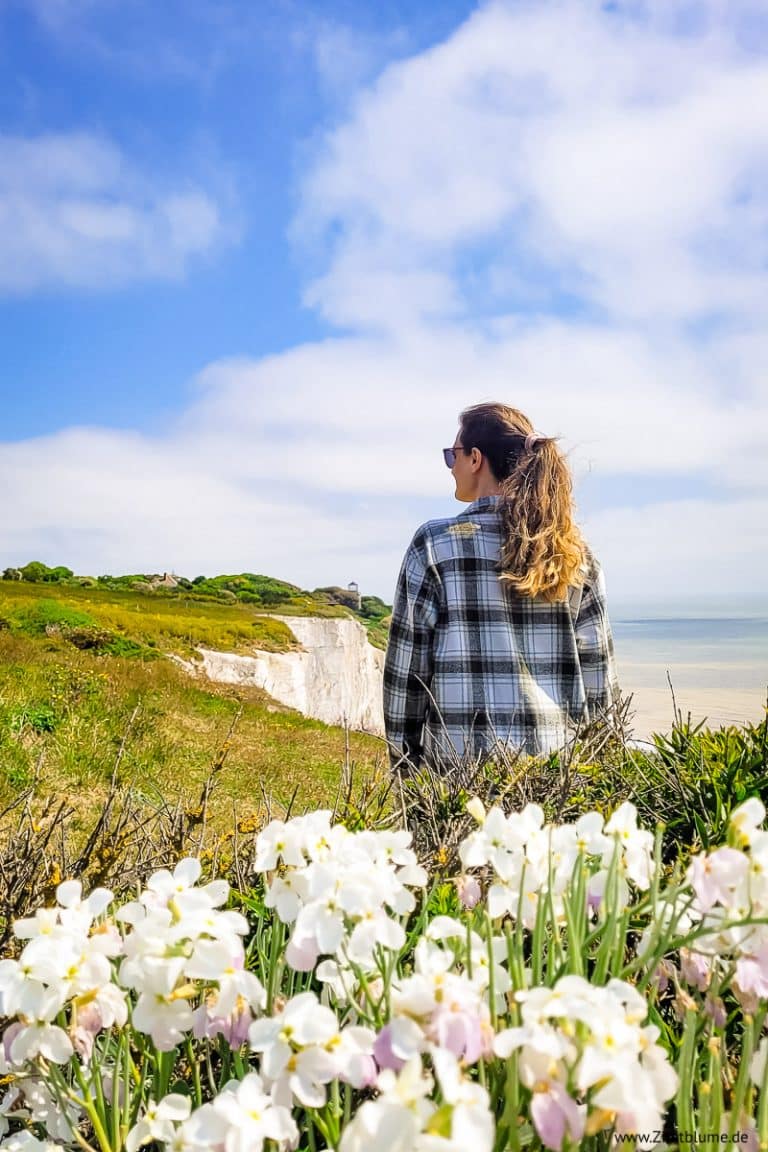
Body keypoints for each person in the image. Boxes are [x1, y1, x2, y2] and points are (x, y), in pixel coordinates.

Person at [383, 402, 620, 772]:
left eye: (452, 455)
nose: (451, 466)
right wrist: (605, 777)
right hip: (556, 776)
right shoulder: (574, 553)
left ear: (475, 459)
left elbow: (407, 675)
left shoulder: (434, 544)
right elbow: (600, 681)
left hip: (458, 777)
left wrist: (405, 771)